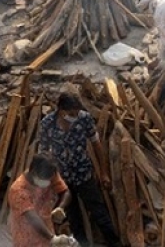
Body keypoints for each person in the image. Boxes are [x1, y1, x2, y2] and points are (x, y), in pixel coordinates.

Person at [39, 93, 121, 247]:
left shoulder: (84, 119)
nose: (75, 116)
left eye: (77, 113)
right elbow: (44, 153)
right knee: (73, 217)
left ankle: (115, 244)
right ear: (61, 111)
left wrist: (103, 172)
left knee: (99, 212)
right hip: (62, 178)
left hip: (83, 174)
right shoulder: (47, 124)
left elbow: (97, 144)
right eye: (71, 114)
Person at [8, 153, 71, 247]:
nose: (49, 182)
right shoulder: (18, 190)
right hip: (26, 236)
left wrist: (60, 208)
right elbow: (32, 218)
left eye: (50, 179)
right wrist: (52, 238)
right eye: (45, 179)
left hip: (47, 230)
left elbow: (66, 192)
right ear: (33, 172)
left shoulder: (49, 172)